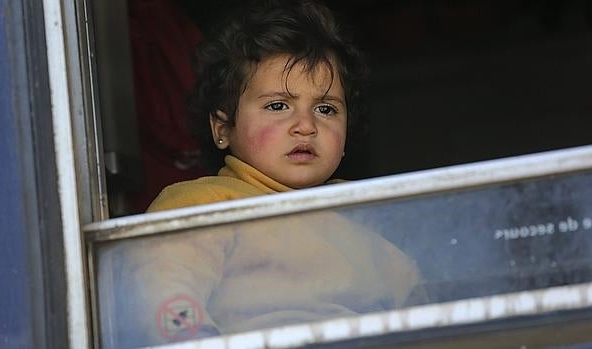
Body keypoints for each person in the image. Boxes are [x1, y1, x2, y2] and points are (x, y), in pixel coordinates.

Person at [98, 1, 425, 347]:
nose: (305, 126)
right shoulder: (205, 205)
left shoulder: (365, 220)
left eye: (326, 108)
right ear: (223, 127)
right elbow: (162, 296)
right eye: (277, 105)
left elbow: (427, 321)